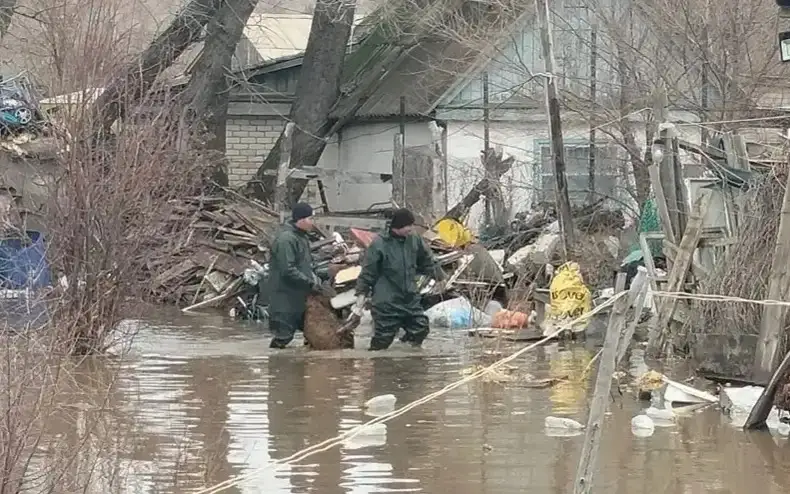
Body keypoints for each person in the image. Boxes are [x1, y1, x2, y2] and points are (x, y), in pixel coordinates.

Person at [351, 208, 445, 351]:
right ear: (398, 226)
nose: (411, 228)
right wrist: (359, 304)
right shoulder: (379, 244)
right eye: (408, 225)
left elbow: (427, 260)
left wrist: (440, 277)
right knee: (382, 340)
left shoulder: (414, 240)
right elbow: (367, 274)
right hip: (386, 302)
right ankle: (380, 365)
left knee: (420, 328)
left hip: (409, 299)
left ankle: (404, 357)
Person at [267, 202, 326, 349]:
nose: (313, 222)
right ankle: (275, 365)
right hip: (284, 299)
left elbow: (306, 266)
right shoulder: (286, 240)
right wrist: (310, 283)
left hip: (299, 298)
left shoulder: (301, 238)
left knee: (313, 335)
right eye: (310, 218)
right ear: (301, 220)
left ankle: (305, 368)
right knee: (283, 337)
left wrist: (316, 279)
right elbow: (288, 270)